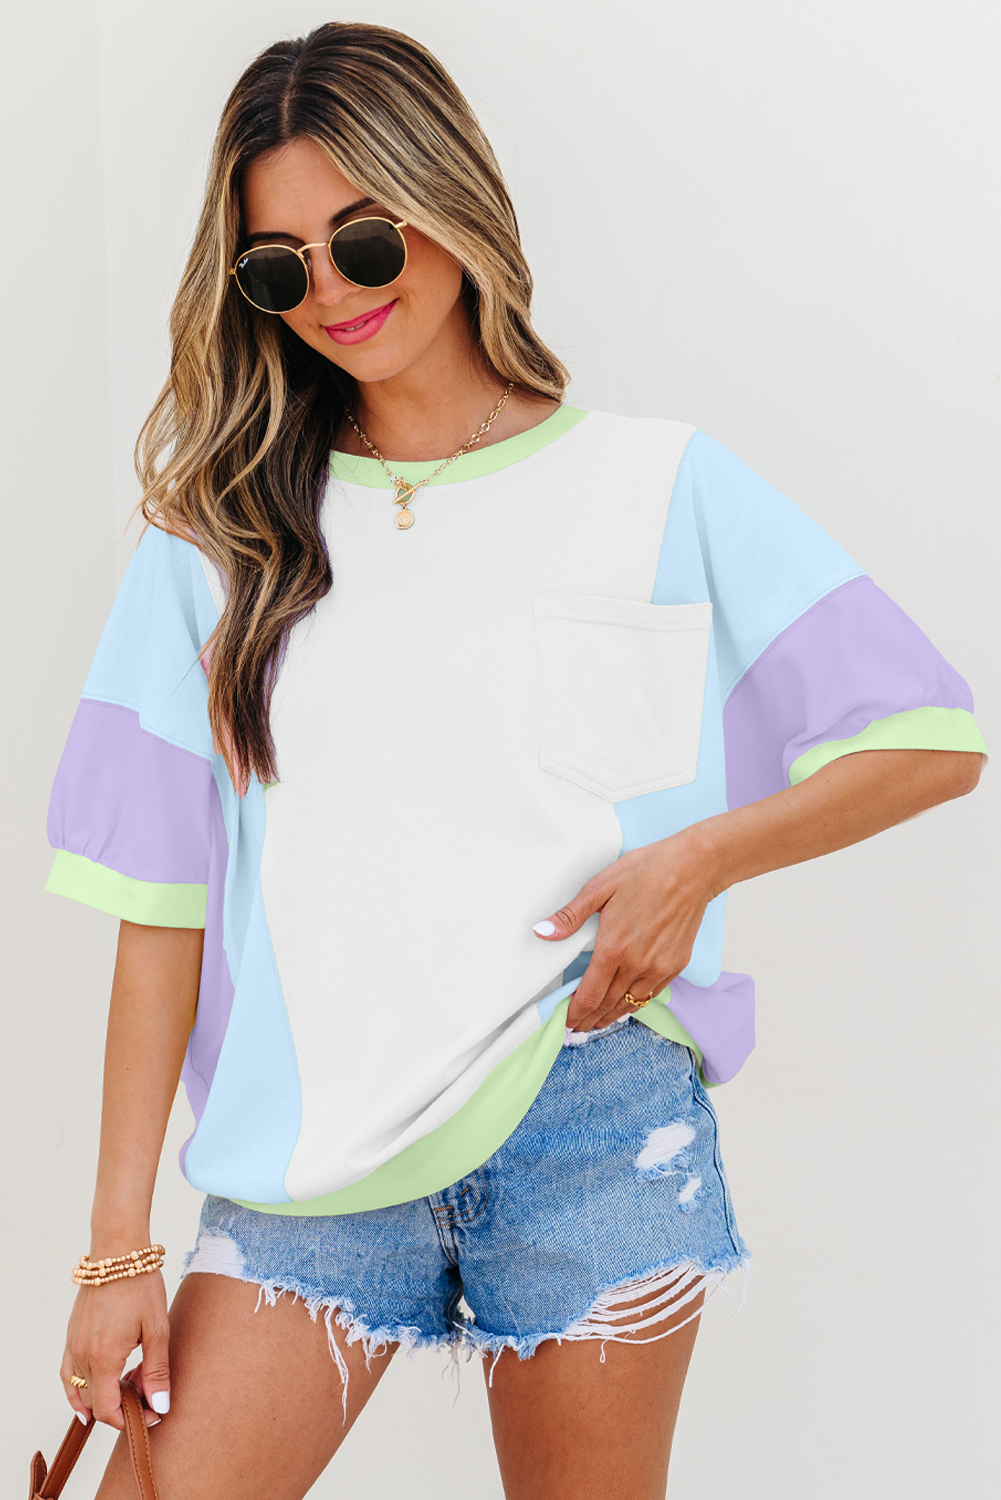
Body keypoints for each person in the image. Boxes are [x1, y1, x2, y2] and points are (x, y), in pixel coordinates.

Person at [43, 21, 986, 1500]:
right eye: (280, 269)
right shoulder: (221, 543)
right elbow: (157, 905)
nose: (332, 292)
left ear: (449, 196)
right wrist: (117, 1253)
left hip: (595, 1128)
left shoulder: (657, 486)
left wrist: (694, 862)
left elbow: (929, 740)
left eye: (364, 239)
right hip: (310, 1161)